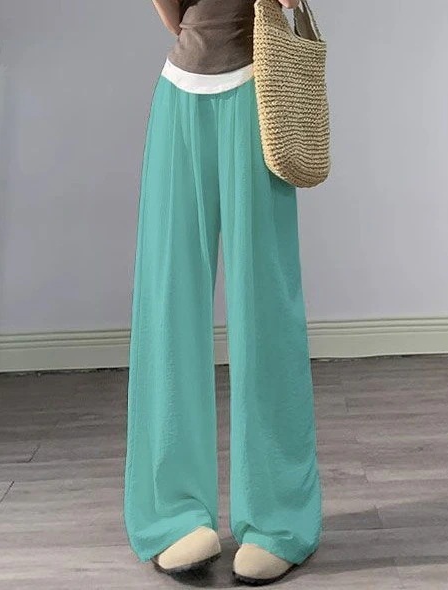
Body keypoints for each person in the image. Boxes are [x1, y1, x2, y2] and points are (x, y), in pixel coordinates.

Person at [123, 0, 322, 585]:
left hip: (258, 95)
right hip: (179, 93)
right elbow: (174, 15)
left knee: (265, 309)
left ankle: (278, 518)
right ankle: (172, 515)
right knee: (167, 304)